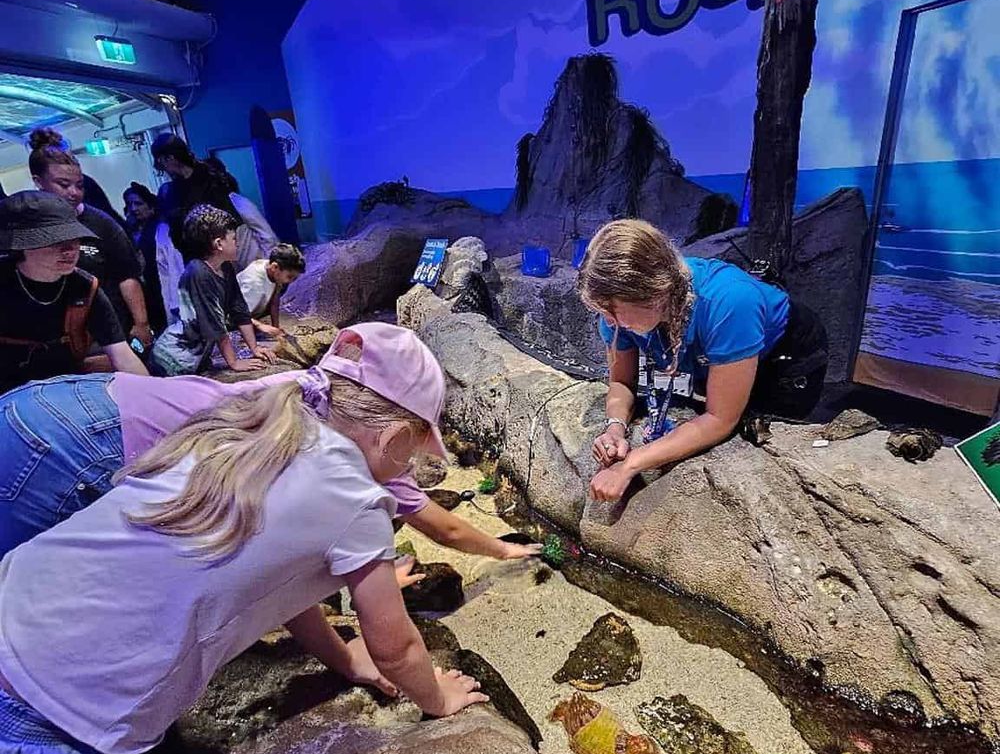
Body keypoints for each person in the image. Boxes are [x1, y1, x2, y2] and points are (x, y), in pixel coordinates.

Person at [0, 325, 489, 754]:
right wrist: (436, 697)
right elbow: (395, 647)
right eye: (415, 452)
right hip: (56, 715)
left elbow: (278, 588)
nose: (412, 466)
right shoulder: (358, 501)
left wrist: (339, 655)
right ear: (394, 438)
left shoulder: (260, 425)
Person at [0, 338, 545, 565]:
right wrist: (504, 552)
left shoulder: (313, 392)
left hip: (67, 401)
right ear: (398, 431)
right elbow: (442, 529)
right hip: (81, 451)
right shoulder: (346, 450)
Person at [578, 219, 828, 503]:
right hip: (714, 352)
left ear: (653, 294)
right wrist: (615, 427)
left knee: (755, 429)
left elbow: (720, 419)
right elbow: (622, 382)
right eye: (602, 311)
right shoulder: (618, 314)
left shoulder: (729, 301)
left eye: (614, 312)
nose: (609, 322)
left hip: (784, 357)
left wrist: (631, 464)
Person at [0, 192, 147, 395]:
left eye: (74, 237)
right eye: (55, 240)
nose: (70, 249)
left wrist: (153, 402)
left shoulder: (85, 287)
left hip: (65, 391)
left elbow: (122, 355)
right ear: (20, 245)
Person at [28, 129, 152, 352]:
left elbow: (127, 276)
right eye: (63, 185)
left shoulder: (102, 224)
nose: (74, 192)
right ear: (38, 182)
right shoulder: (26, 228)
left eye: (79, 185)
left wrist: (141, 324)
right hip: (55, 334)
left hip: (107, 331)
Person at [151, 205, 275, 376]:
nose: (237, 243)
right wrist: (234, 362)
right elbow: (214, 322)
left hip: (198, 354)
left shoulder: (226, 267)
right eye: (233, 239)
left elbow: (238, 308)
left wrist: (254, 348)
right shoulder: (198, 272)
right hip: (174, 355)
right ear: (219, 244)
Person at [151, 134, 278, 270]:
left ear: (170, 158)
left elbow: (243, 212)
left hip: (235, 240)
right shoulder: (174, 191)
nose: (163, 169)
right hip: (211, 254)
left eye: (161, 163)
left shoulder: (211, 176)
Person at [122, 183, 170, 334]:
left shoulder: (160, 229)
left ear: (150, 206)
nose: (134, 208)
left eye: (138, 203)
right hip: (141, 289)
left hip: (160, 285)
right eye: (130, 204)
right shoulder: (128, 230)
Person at [237, 242, 306, 339]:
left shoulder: (273, 272)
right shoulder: (253, 283)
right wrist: (260, 326)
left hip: (252, 313)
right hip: (234, 318)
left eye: (294, 279)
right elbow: (237, 314)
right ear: (274, 267)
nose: (290, 282)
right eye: (289, 277)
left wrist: (276, 328)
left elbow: (275, 300)